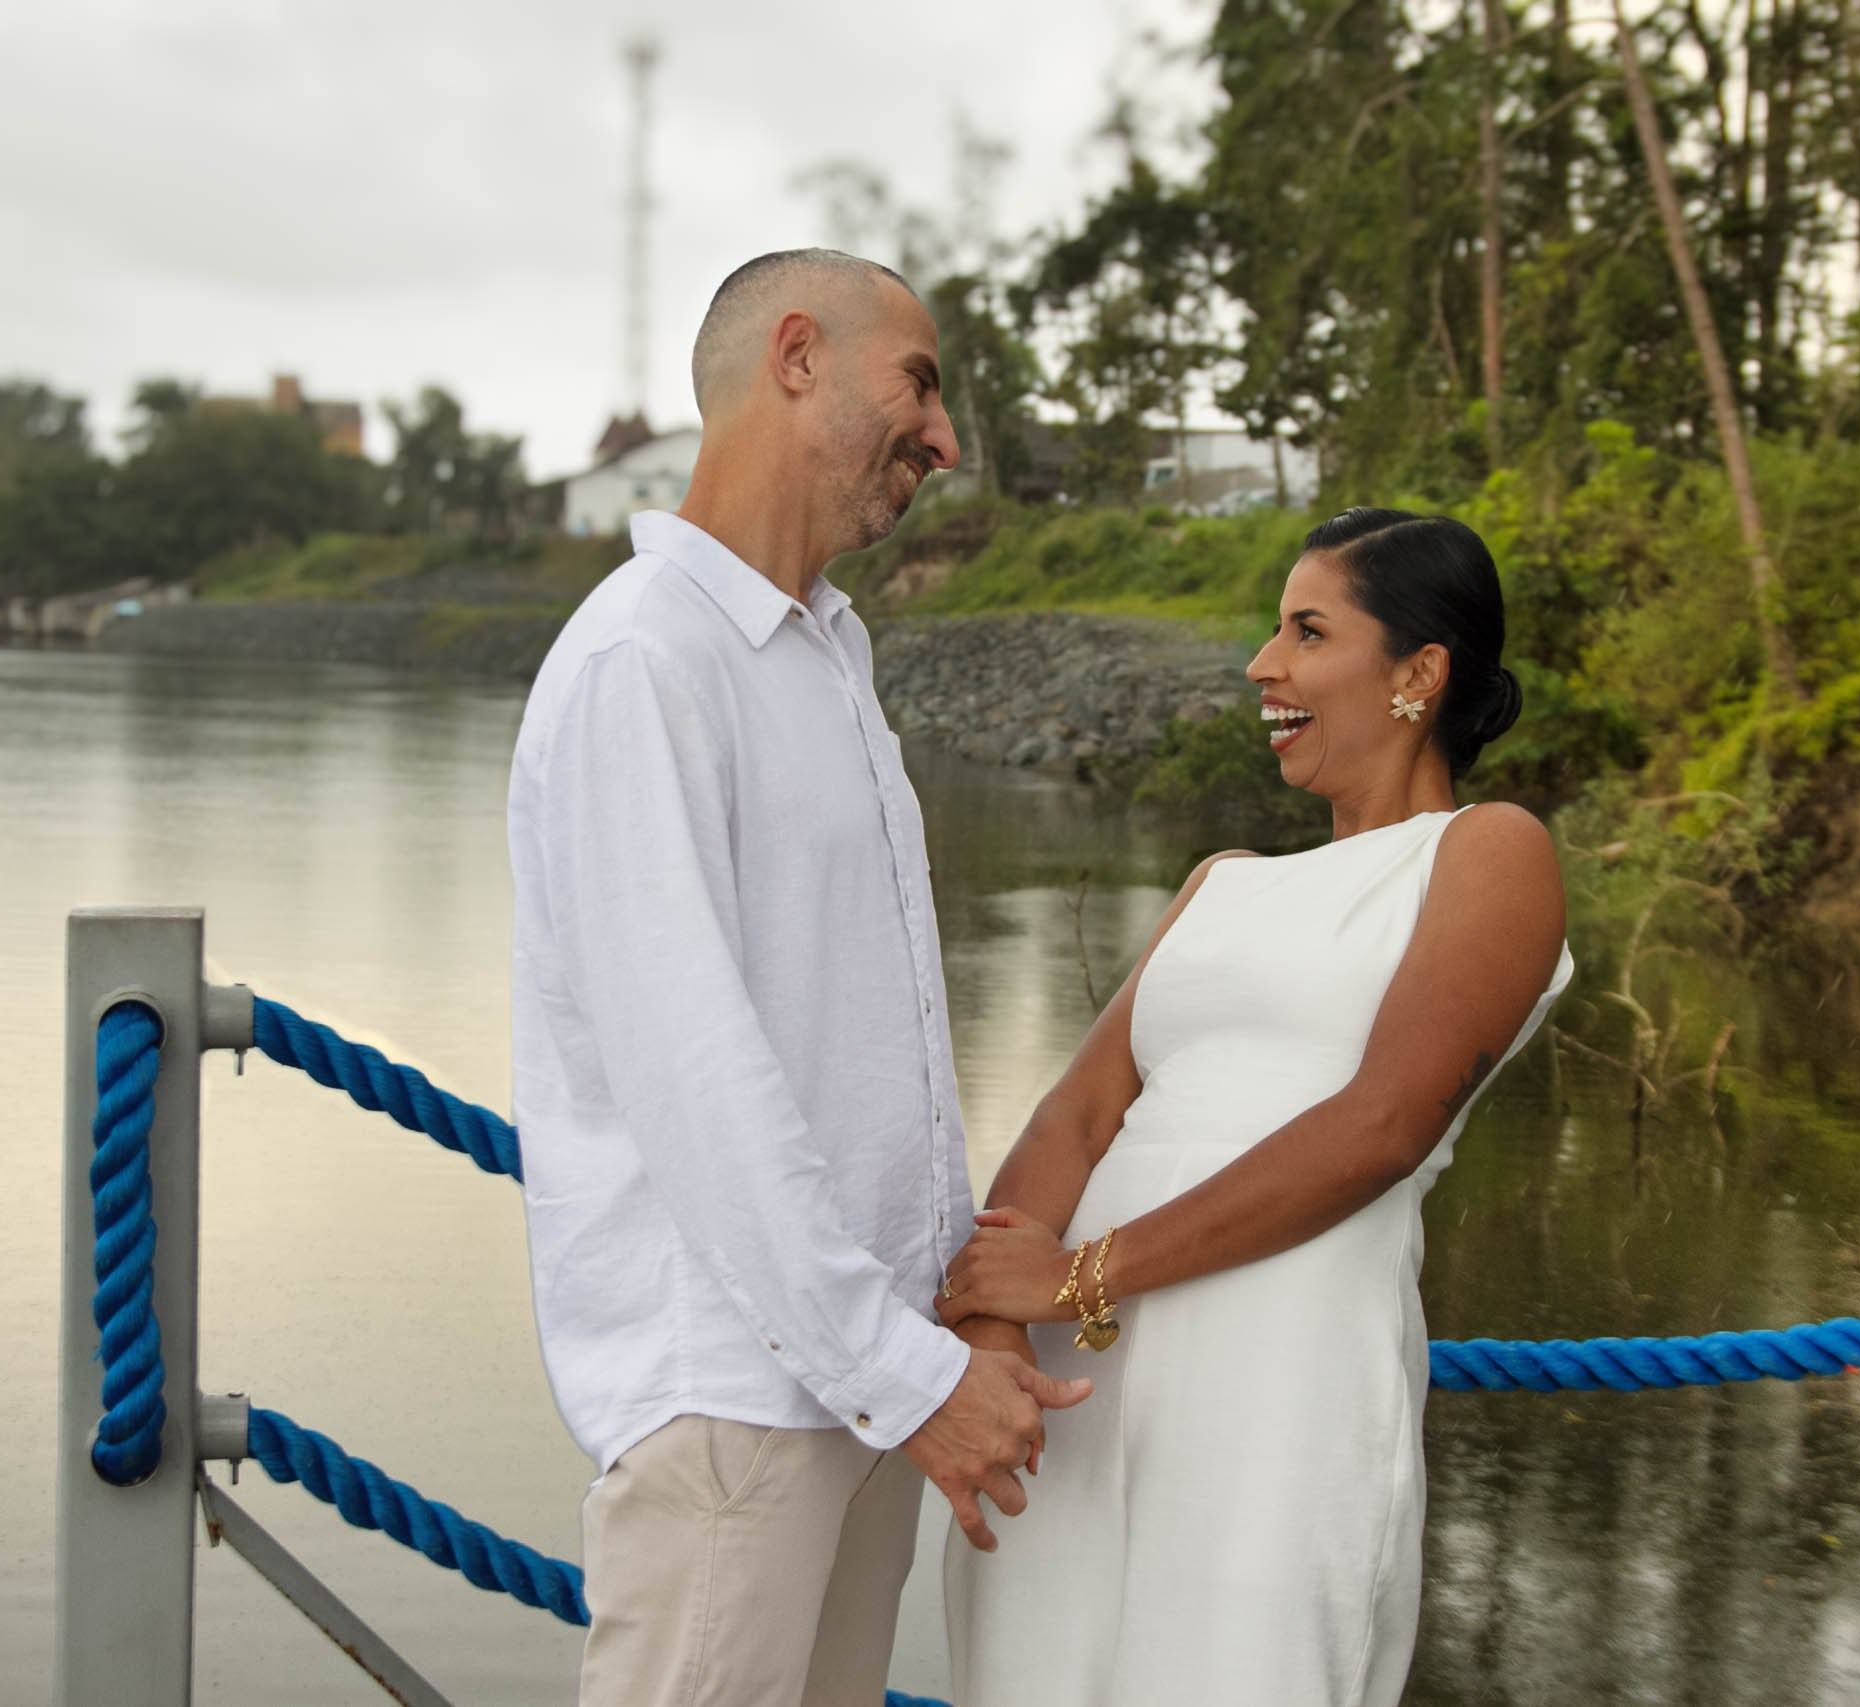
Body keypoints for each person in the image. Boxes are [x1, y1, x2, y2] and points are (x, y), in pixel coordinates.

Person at [506, 248, 1090, 1707]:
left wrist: (937, 1339)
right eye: (921, 382)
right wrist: (911, 1376)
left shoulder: (829, 652)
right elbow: (696, 1077)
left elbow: (868, 1045)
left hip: (859, 1379)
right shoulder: (642, 662)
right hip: (737, 1402)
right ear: (794, 358)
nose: (945, 439)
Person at [937, 507, 1573, 1706]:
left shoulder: (1487, 853)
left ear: (1418, 674)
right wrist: (994, 1332)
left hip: (1276, 1389)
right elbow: (1074, 1118)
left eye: (1306, 630)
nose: (1260, 666)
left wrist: (1080, 1276)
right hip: (1069, 1399)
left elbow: (1380, 1128)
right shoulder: (1219, 884)